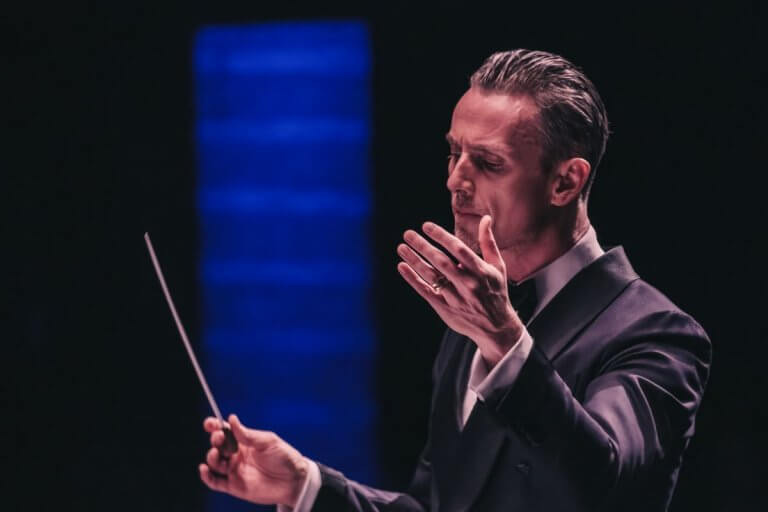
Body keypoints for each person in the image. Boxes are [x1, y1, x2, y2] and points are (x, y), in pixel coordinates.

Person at [199, 49, 711, 511]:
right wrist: (306, 486)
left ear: (565, 181)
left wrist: (505, 343)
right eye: (454, 153)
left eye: (487, 162)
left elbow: (606, 484)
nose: (455, 181)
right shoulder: (471, 322)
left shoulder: (656, 332)